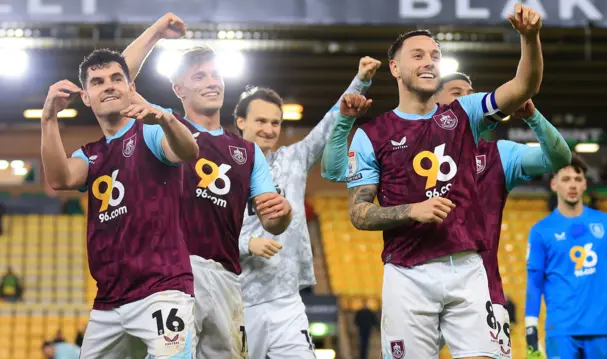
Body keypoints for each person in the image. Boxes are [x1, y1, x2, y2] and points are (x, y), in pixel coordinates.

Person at [322, 70, 571, 358]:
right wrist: (344, 122)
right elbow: (334, 171)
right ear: (436, 102)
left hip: (480, 286)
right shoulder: (403, 147)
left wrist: (532, 117)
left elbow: (559, 159)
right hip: (413, 276)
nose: (469, 99)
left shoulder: (500, 154)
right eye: (458, 93)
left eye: (472, 92)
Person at [342, 4, 543, 358]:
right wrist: (411, 210)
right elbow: (358, 213)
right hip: (407, 274)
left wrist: (529, 38)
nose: (429, 62)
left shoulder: (464, 113)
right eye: (417, 55)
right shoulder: (372, 134)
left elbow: (524, 86)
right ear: (395, 68)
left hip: (467, 268)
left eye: (435, 55)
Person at [122, 14, 294, 358]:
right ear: (178, 89)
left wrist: (283, 214)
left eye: (216, 74)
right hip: (172, 274)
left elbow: (272, 218)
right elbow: (119, 83)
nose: (212, 81)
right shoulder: (163, 125)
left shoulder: (247, 152)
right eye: (199, 76)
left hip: (227, 277)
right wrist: (156, 32)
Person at [41, 49, 199, 358]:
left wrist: (166, 119)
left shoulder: (152, 129)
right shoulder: (90, 154)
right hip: (109, 301)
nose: (109, 86)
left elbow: (186, 151)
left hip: (162, 290)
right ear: (86, 97)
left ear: (131, 88)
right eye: (98, 82)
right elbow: (59, 179)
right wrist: (48, 118)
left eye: (117, 78)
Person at [234, 57, 379, 359]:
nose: (269, 129)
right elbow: (204, 237)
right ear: (241, 122)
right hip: (237, 300)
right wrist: (247, 244)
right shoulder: (220, 170)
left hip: (287, 300)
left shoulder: (293, 160)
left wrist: (361, 80)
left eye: (275, 123)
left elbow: (328, 124)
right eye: (260, 121)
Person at [525, 155, 607, 358]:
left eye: (577, 179)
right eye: (566, 179)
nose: (572, 185)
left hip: (600, 329)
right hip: (561, 331)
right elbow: (534, 283)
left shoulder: (605, 223)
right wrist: (530, 330)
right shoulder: (540, 231)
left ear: (585, 184)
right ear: (554, 184)